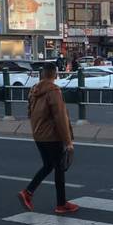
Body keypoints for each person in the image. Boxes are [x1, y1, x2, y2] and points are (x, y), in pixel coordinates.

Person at [18, 62, 79, 214]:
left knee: (48, 165)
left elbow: (29, 113)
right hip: (52, 136)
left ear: (42, 74)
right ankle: (61, 204)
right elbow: (60, 117)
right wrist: (68, 141)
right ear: (55, 74)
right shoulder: (54, 91)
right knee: (59, 169)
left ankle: (28, 192)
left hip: (39, 134)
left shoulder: (34, 90)